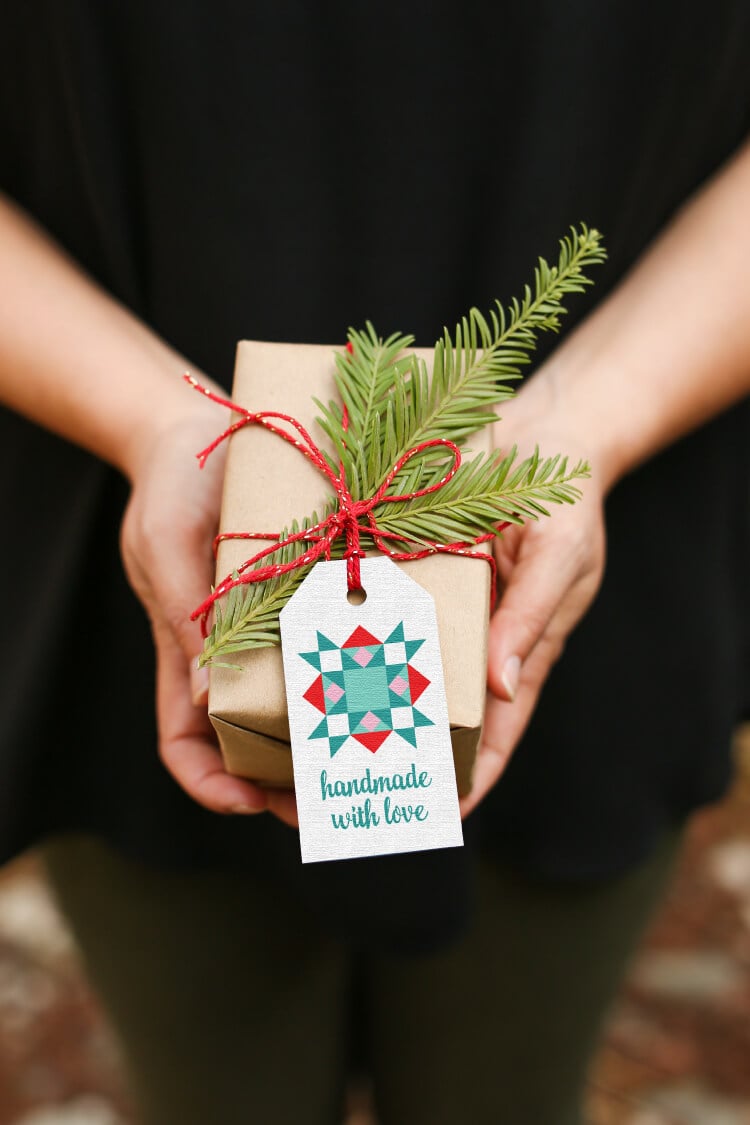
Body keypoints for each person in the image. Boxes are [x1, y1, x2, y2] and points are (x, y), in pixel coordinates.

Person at [1, 3, 748, 1123]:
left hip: (585, 566)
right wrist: (152, 421)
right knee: (212, 1087)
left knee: (504, 1090)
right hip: (151, 570)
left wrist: (591, 419)